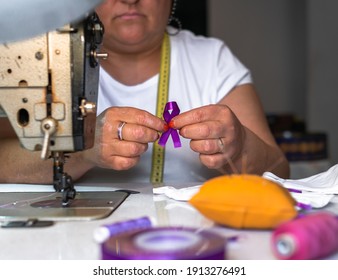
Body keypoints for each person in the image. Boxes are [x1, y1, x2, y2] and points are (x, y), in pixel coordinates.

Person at [0, 0, 289, 185]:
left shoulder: (212, 60)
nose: (130, 0)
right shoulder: (48, 61)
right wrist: (83, 150)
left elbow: (280, 171)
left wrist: (240, 147)